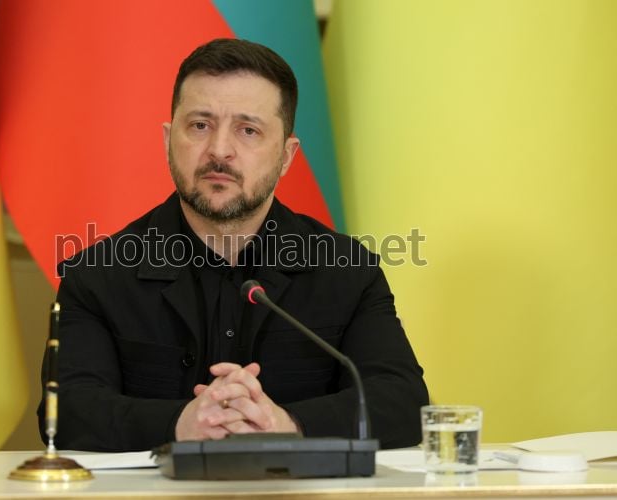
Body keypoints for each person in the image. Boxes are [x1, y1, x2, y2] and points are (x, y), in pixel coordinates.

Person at [38, 38, 428, 451]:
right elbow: (65, 412)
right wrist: (179, 424)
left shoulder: (348, 271)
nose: (219, 151)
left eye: (248, 130)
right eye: (200, 125)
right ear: (168, 139)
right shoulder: (97, 275)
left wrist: (288, 425)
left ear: (286, 156)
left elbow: (403, 402)